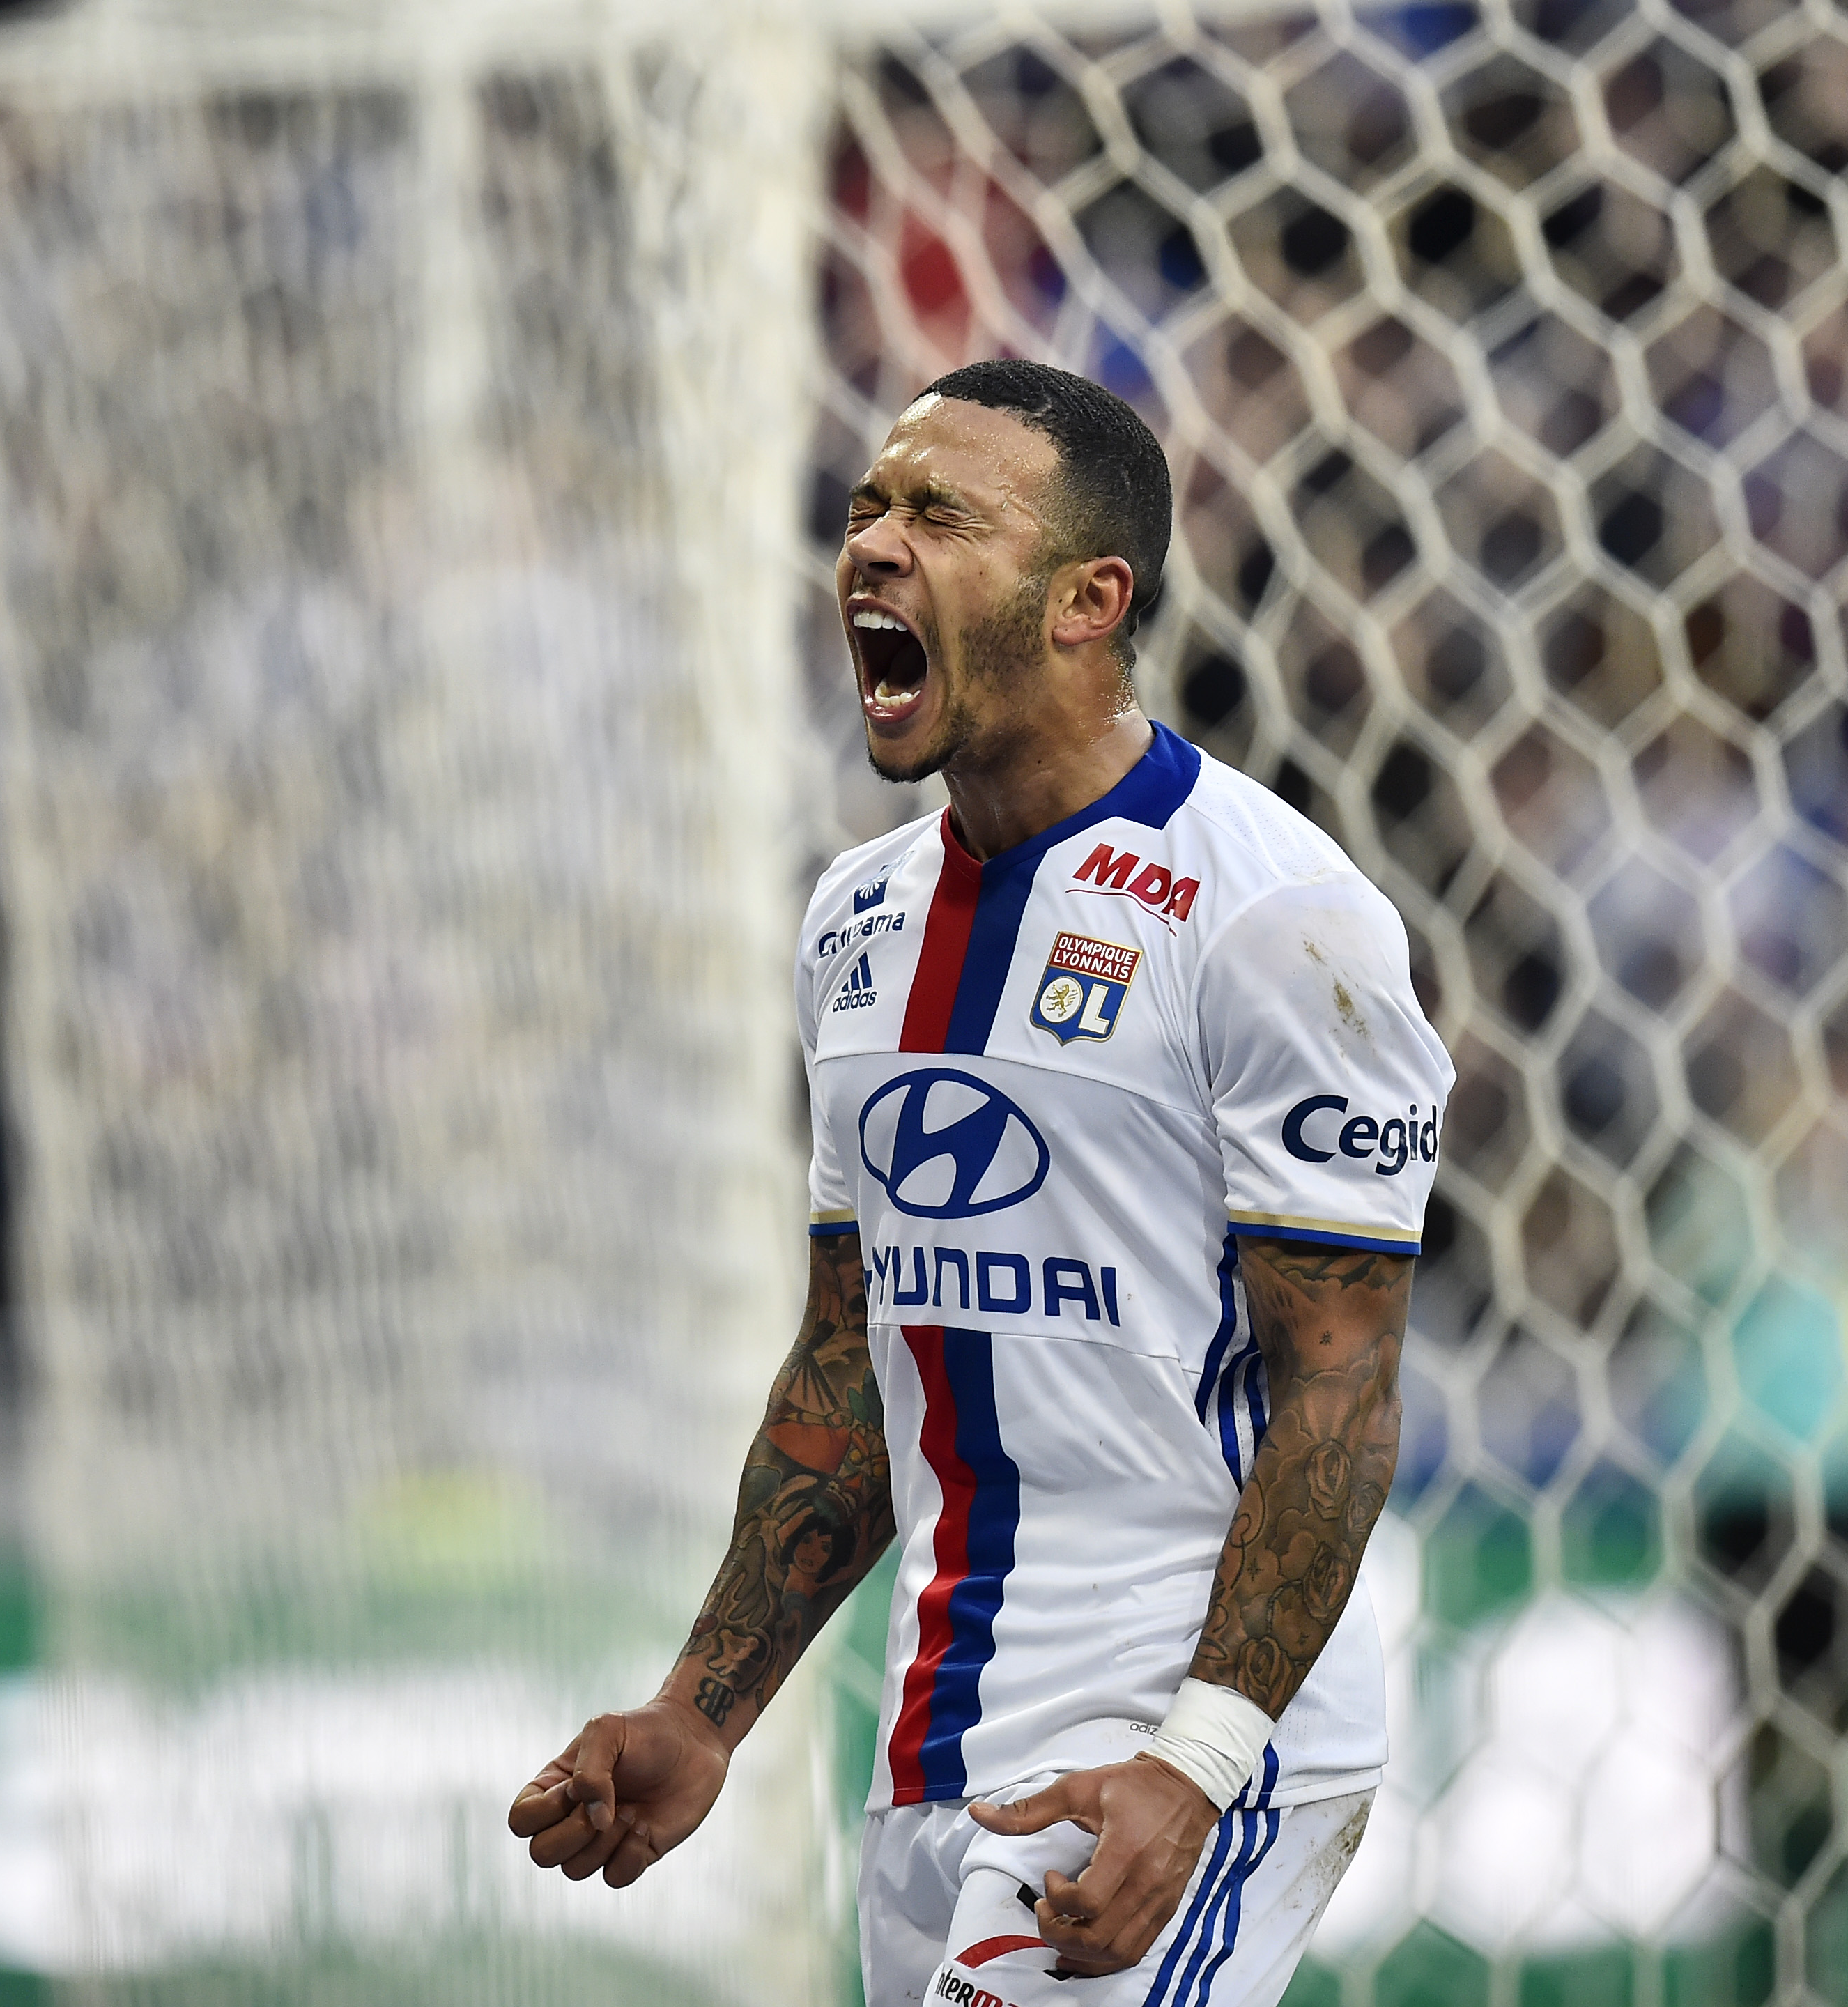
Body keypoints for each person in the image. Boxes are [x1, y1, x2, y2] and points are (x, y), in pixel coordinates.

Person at [509, 359, 1452, 2001]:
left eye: (939, 514)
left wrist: (1202, 1759)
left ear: (1092, 599)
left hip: (1169, 1749)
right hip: (935, 1753)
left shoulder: (1274, 919)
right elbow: (849, 1365)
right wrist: (702, 1707)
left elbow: (1341, 1386)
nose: (872, 544)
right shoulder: (853, 922)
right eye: (869, 506)